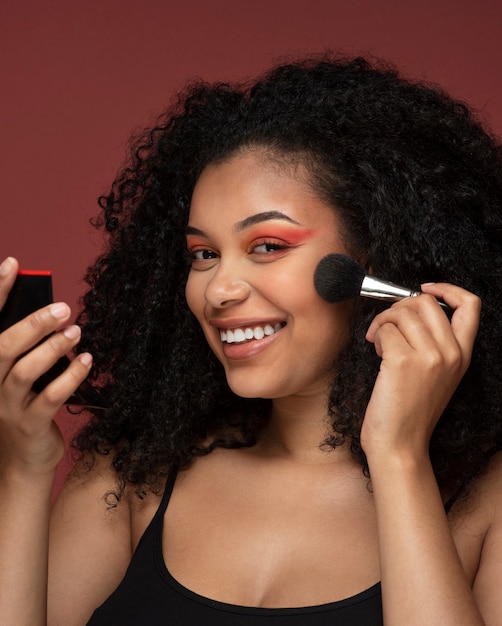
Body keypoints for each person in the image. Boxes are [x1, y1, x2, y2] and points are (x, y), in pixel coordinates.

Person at [0, 55, 501, 626]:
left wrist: (399, 457)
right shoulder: (132, 476)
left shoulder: (485, 499)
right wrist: (24, 470)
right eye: (203, 255)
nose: (219, 290)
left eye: (268, 246)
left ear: (377, 256)